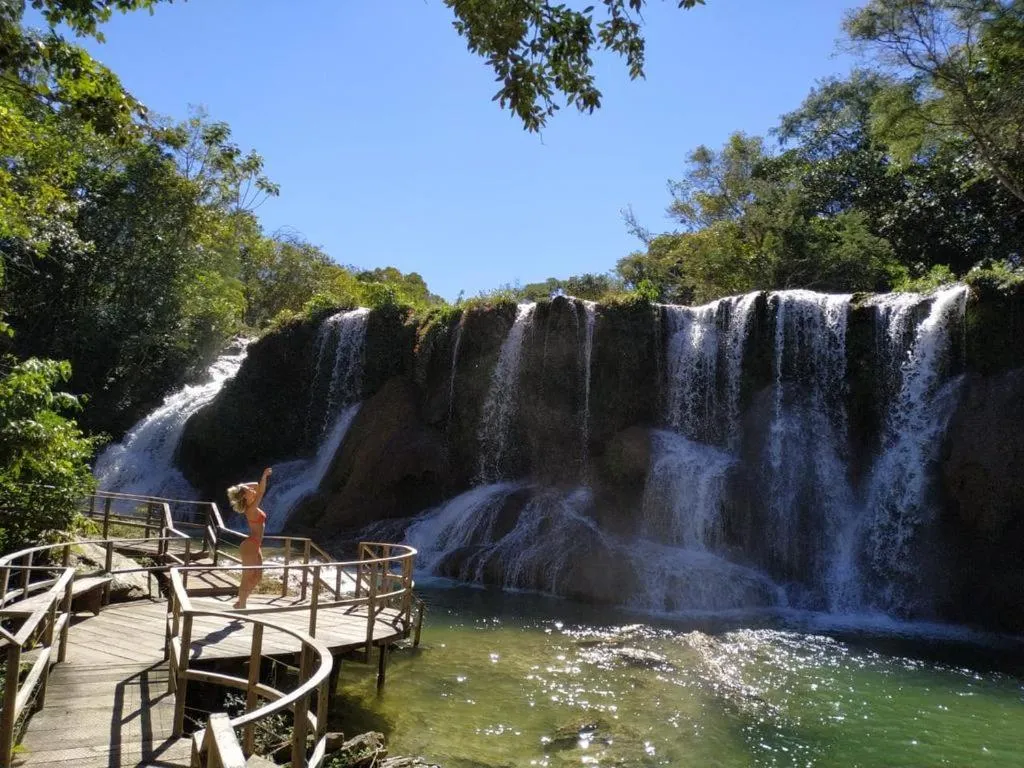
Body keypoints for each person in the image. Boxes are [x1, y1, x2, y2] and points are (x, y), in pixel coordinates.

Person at [226, 467, 272, 609]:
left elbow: (257, 486)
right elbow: (261, 489)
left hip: (255, 545)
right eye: (249, 491)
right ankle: (243, 606)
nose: (253, 490)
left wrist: (242, 487)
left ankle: (241, 601)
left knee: (257, 576)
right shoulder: (251, 509)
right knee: (247, 577)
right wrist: (264, 476)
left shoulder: (251, 505)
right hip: (250, 545)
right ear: (245, 497)